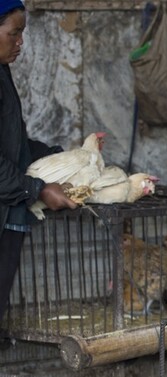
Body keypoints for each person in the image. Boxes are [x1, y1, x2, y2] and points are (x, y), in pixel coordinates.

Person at [0, 0, 77, 325]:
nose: (21, 42)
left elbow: (12, 144)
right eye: (14, 33)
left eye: (22, 33)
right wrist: (39, 189)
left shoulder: (2, 73)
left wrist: (57, 156)